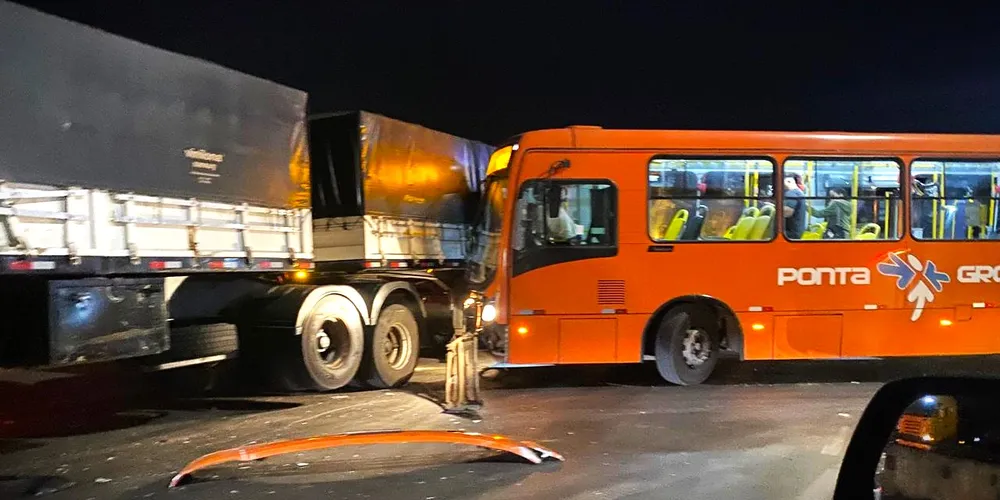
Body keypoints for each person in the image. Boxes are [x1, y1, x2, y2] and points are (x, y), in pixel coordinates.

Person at [782, 173, 807, 239]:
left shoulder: (791, 193)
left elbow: (787, 213)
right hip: (797, 232)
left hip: (790, 233)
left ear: (789, 181)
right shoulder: (799, 192)